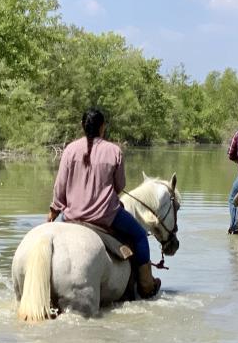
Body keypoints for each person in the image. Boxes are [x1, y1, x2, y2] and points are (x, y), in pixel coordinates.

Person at [48, 108, 161, 298]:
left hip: (72, 216)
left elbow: (60, 184)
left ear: (82, 126)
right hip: (106, 216)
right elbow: (120, 186)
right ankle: (146, 285)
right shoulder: (114, 151)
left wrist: (54, 211)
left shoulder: (69, 150)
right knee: (141, 236)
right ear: (102, 127)